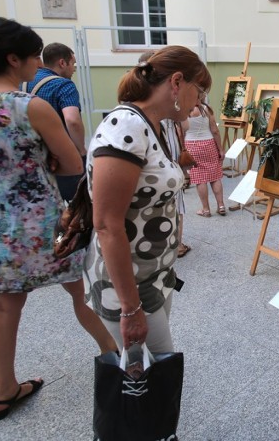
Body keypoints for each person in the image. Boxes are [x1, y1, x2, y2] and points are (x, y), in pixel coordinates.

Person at [0, 17, 115, 421]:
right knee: (79, 292)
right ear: (13, 59)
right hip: (39, 219)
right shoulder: (31, 106)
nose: (36, 63)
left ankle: (4, 390)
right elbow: (70, 162)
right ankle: (112, 353)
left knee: (5, 306)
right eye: (31, 56)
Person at [83, 45, 211, 353]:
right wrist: (129, 308)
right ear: (177, 82)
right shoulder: (126, 125)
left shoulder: (153, 123)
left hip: (153, 276)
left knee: (156, 372)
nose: (200, 102)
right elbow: (107, 224)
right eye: (200, 92)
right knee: (151, 377)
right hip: (129, 287)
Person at [138, 50, 191, 258]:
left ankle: (167, 241)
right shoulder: (166, 101)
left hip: (156, 159)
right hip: (167, 156)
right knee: (176, 198)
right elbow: (184, 124)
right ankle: (176, 243)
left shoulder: (137, 104)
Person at [23, 42, 86, 201]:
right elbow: (72, 120)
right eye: (73, 63)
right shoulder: (64, 85)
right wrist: (80, 149)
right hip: (59, 155)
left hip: (31, 154)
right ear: (62, 63)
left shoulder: (24, 82)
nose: (74, 68)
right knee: (74, 201)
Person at [182, 102, 226, 217]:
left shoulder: (183, 108)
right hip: (209, 144)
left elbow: (180, 131)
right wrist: (221, 149)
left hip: (191, 146)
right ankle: (221, 205)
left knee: (200, 178)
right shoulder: (207, 109)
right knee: (215, 176)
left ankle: (206, 209)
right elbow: (215, 130)